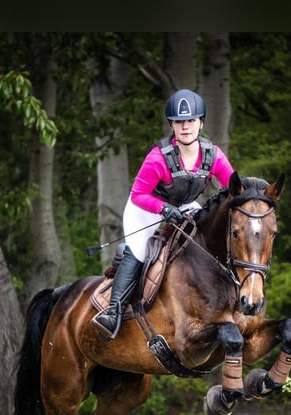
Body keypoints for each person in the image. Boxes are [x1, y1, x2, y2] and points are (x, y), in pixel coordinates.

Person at [91, 88, 236, 339]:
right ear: (172, 124)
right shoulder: (158, 158)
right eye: (179, 122)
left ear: (201, 123)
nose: (186, 127)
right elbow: (138, 195)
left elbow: (235, 188)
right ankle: (113, 312)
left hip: (186, 205)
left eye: (191, 120)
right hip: (147, 208)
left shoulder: (214, 156)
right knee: (139, 251)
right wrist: (163, 209)